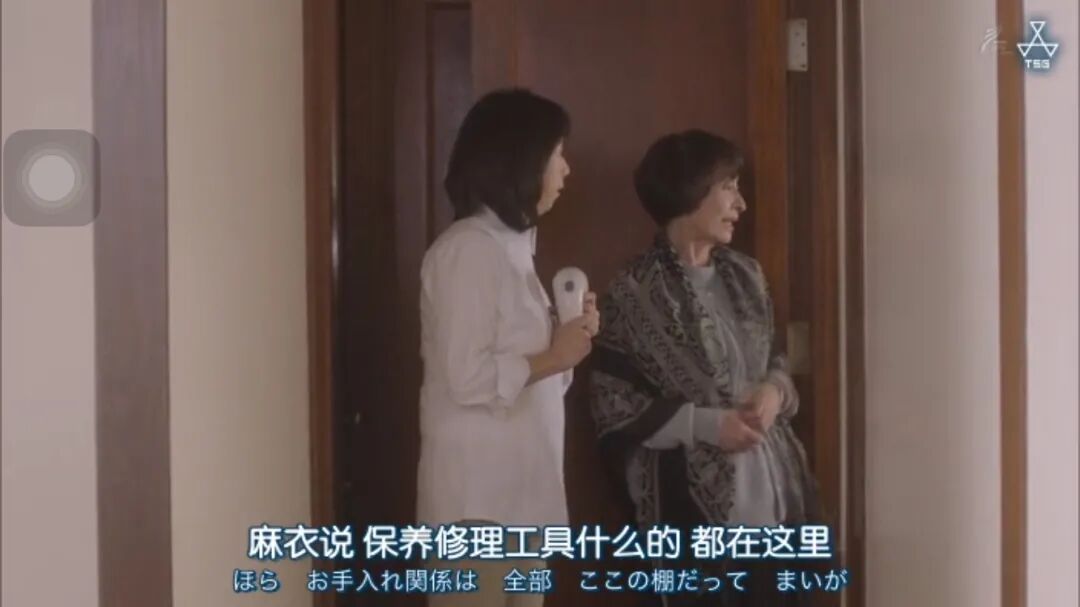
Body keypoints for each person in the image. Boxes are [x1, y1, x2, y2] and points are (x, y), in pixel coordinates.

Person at [589, 130, 822, 606]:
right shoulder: (634, 292)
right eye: (728, 187)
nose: (740, 203)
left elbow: (775, 362)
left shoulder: (747, 276)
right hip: (690, 518)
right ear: (690, 190)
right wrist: (709, 425)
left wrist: (774, 392)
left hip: (776, 504)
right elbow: (613, 404)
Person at [416, 88, 600, 607]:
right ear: (523, 158)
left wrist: (568, 341)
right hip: (477, 508)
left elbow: (537, 383)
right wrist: (553, 356)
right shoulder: (468, 250)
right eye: (558, 154)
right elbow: (466, 376)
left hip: (523, 500)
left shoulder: (514, 249)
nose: (566, 169)